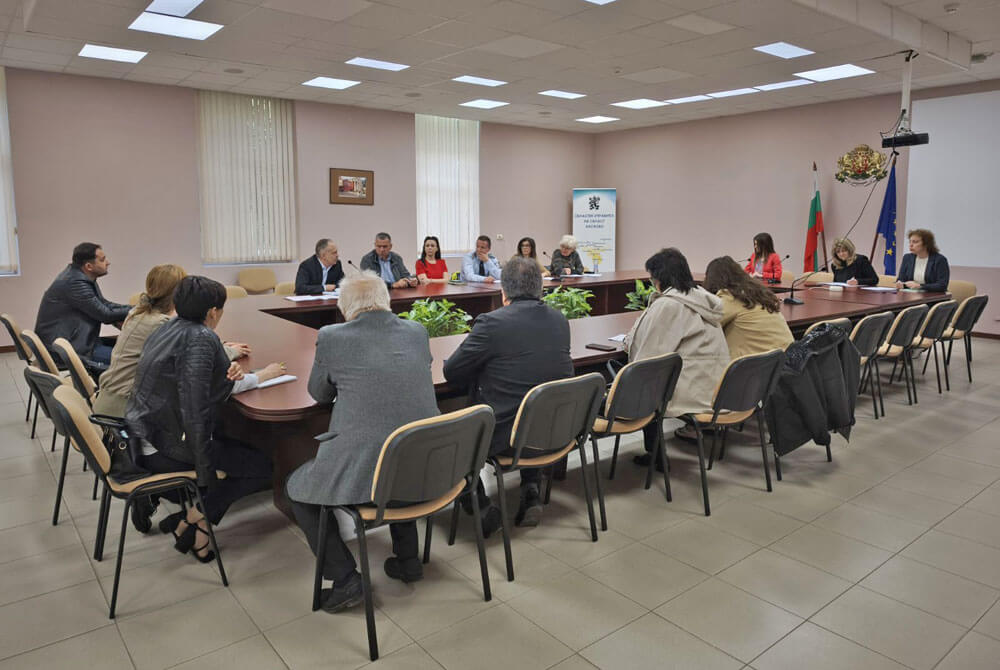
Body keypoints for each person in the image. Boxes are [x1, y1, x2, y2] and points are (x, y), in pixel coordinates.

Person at [285, 271, 440, 613]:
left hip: (374, 473)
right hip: (426, 467)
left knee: (296, 489)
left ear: (345, 309)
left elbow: (319, 392)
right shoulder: (416, 331)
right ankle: (408, 560)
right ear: (386, 301)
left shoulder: (332, 336)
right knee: (399, 442)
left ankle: (345, 579)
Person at [125, 276, 284, 561]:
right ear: (212, 312)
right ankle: (194, 520)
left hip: (145, 434)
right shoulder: (201, 337)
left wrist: (229, 372)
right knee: (263, 468)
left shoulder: (168, 327)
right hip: (166, 445)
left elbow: (202, 382)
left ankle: (191, 522)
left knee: (237, 444)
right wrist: (262, 376)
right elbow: (201, 399)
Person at [443, 257, 572, 528]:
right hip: (554, 431)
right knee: (532, 402)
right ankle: (531, 490)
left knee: (452, 438)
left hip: (508, 438)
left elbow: (452, 372)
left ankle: (481, 508)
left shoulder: (492, 323)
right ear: (540, 288)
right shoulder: (559, 320)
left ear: (504, 291)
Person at [625, 248, 729, 468]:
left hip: (689, 391)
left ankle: (656, 455)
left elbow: (648, 356)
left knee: (646, 381)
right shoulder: (701, 299)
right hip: (714, 389)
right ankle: (655, 453)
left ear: (659, 278)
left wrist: (629, 341)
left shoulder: (669, 305)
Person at [35, 242, 131, 367]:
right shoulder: (75, 282)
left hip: (78, 341)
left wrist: (135, 308)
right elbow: (105, 315)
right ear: (89, 266)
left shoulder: (81, 276)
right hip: (67, 350)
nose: (108, 263)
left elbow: (104, 305)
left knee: (132, 350)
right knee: (132, 360)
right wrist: (139, 309)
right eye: (102, 260)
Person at [703, 256, 793, 359]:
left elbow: (705, 326)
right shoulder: (759, 293)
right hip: (788, 360)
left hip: (764, 365)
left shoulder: (730, 297)